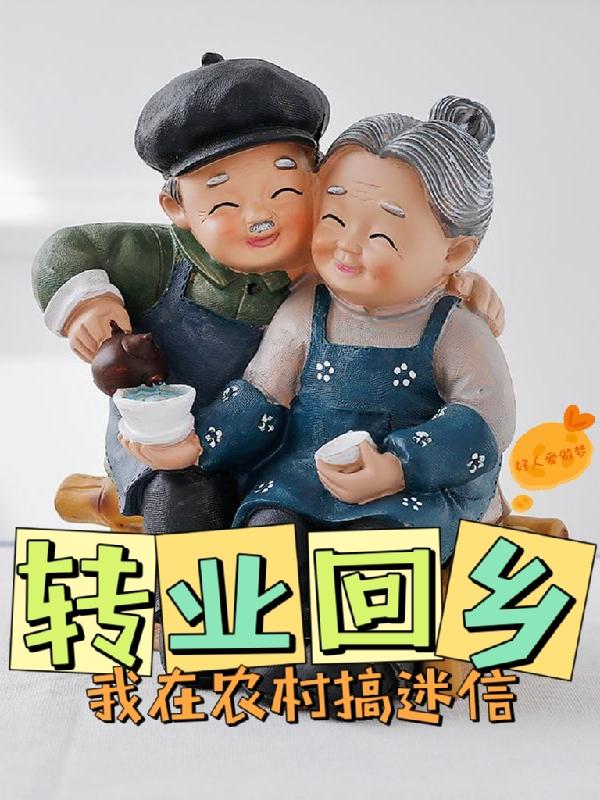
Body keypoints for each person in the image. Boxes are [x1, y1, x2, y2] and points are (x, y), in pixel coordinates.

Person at [199, 98, 515, 674]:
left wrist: (399, 466)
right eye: (334, 219)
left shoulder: (456, 328)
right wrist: (202, 443)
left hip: (411, 489)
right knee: (270, 529)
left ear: (454, 252)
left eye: (383, 236)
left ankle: (368, 664)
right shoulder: (306, 307)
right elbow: (263, 391)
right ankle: (260, 650)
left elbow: (484, 421)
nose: (346, 245)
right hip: (304, 474)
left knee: (375, 546)